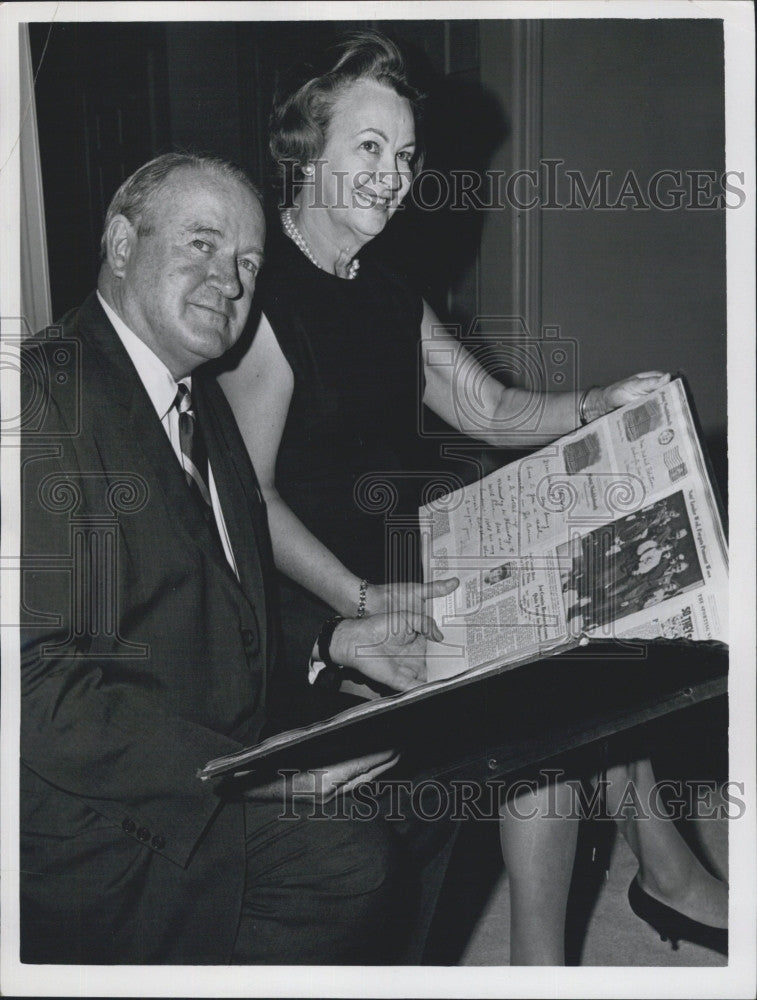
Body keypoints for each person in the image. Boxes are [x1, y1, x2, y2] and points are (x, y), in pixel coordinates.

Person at [218, 30, 727, 964]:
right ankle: (566, 946)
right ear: (306, 153)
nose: (394, 175)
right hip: (319, 590)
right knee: (543, 695)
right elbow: (246, 501)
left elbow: (485, 407)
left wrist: (597, 403)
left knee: (597, 627)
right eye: (368, 148)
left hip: (412, 546)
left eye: (405, 155)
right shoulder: (265, 303)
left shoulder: (381, 286)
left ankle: (655, 872)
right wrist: (361, 605)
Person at [19, 152, 456, 965]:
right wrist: (250, 777)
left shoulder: (198, 399)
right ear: (120, 245)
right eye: (201, 244)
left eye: (248, 262)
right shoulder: (43, 398)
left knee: (430, 780)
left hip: (215, 735)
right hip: (103, 818)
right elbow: (34, 690)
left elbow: (208, 602)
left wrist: (331, 645)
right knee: (349, 862)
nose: (229, 279)